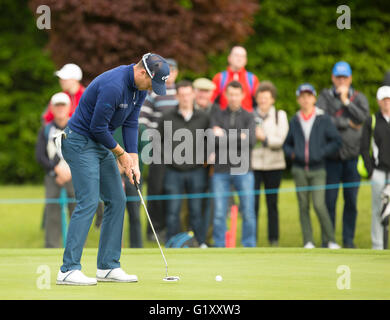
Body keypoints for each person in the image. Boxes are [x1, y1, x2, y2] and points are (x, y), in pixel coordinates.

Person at [56, 53, 170, 285]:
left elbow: (130, 122)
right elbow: (98, 128)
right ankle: (68, 269)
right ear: (142, 72)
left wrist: (134, 159)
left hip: (99, 144)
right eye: (152, 83)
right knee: (88, 201)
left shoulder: (139, 89)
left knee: (117, 200)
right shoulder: (114, 86)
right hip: (79, 142)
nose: (152, 88)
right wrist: (121, 155)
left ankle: (108, 266)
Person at [317, 61, 370, 248]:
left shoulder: (358, 97)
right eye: (338, 77)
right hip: (331, 159)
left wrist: (347, 101)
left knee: (351, 202)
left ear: (350, 78)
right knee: (329, 202)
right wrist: (347, 123)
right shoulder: (324, 96)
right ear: (332, 78)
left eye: (344, 77)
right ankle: (329, 240)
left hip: (352, 158)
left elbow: (363, 118)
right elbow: (322, 119)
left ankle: (348, 241)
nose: (341, 81)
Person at [283, 83, 342, 249]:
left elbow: (336, 140)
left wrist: (321, 152)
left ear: (314, 98)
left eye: (308, 96)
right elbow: (287, 144)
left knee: (319, 204)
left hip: (318, 169)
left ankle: (330, 239)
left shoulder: (323, 119)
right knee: (303, 206)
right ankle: (308, 240)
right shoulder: (295, 120)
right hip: (299, 169)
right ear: (298, 99)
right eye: (302, 96)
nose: (306, 99)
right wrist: (293, 154)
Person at [158, 80, 209, 245]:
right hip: (173, 171)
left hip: (197, 170)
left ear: (193, 95)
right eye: (182, 95)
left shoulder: (204, 117)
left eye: (188, 94)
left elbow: (210, 141)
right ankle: (173, 244)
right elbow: (157, 143)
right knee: (173, 211)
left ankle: (199, 243)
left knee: (196, 210)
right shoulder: (166, 117)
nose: (186, 98)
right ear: (177, 96)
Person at [210, 81, 257, 247]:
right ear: (226, 95)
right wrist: (239, 137)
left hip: (243, 169)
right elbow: (212, 139)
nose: (233, 97)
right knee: (219, 212)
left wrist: (224, 135)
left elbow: (250, 141)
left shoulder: (249, 116)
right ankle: (219, 246)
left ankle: (249, 245)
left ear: (243, 95)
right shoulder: (217, 115)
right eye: (230, 94)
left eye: (237, 94)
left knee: (248, 211)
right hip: (221, 170)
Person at [139, 58, 179, 241]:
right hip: (158, 148)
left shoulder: (181, 92)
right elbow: (143, 119)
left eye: (172, 70)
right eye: (167, 70)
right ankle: (153, 231)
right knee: (156, 189)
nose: (170, 74)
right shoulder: (154, 92)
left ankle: (173, 229)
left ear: (177, 73)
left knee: (174, 189)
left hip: (179, 148)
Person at [251, 81, 289, 246]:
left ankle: (273, 239)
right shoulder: (250, 115)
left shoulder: (279, 115)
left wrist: (264, 139)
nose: (263, 101)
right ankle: (252, 239)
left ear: (272, 99)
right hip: (254, 165)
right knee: (253, 205)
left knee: (272, 204)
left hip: (274, 166)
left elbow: (280, 140)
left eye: (266, 98)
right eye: (260, 97)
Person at [36, 92, 75, 248]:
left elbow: (83, 152)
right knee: (52, 212)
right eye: (57, 106)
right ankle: (52, 248)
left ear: (69, 107)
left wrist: (69, 170)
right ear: (51, 108)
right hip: (53, 176)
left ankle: (76, 248)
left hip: (74, 175)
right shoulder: (45, 130)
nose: (60, 109)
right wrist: (56, 168)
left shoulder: (77, 127)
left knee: (77, 212)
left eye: (63, 105)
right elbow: (40, 155)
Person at [360, 86, 390, 249]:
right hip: (378, 172)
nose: (387, 103)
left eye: (389, 100)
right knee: (378, 210)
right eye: (384, 100)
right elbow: (364, 148)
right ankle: (377, 246)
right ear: (379, 101)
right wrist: (370, 171)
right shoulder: (371, 120)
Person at [211, 46, 259, 112]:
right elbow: (211, 101)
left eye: (242, 56)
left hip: (246, 120)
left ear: (246, 60)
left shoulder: (252, 79)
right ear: (229, 58)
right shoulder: (219, 78)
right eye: (236, 55)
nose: (239, 59)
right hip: (224, 119)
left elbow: (259, 102)